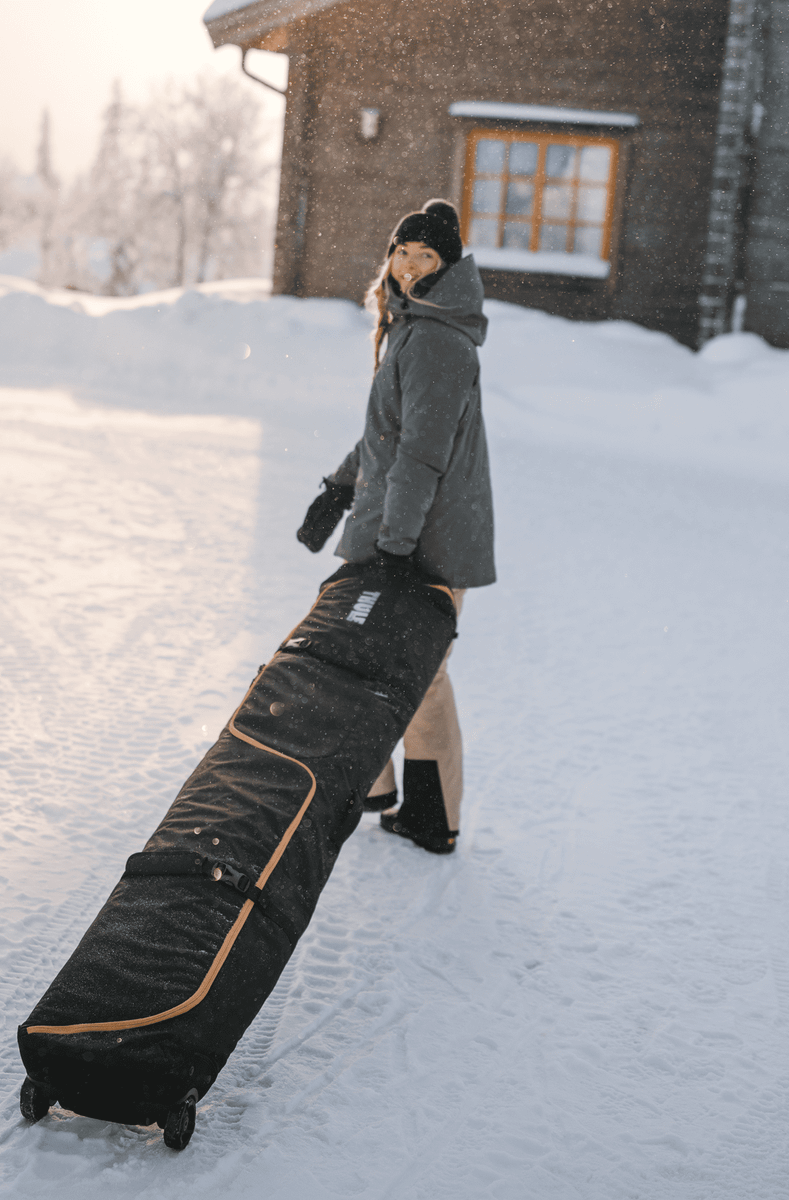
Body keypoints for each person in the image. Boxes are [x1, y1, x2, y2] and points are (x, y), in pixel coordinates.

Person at [296, 198, 495, 854]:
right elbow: (386, 435)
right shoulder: (412, 324)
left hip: (427, 538)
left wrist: (394, 548)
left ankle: (433, 816)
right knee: (378, 659)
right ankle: (379, 791)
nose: (409, 266)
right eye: (402, 253)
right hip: (402, 525)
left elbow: (421, 455)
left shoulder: (436, 340)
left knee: (420, 673)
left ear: (447, 267)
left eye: (425, 256)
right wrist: (338, 487)